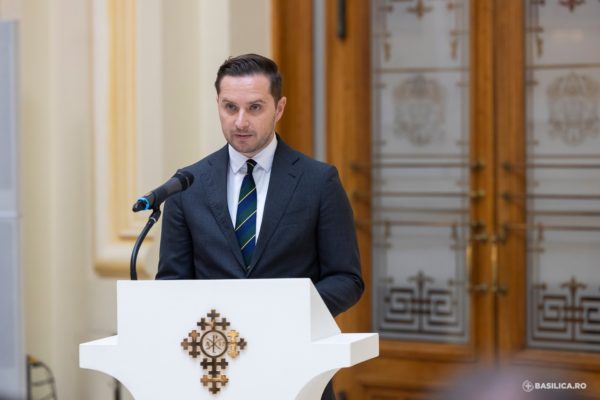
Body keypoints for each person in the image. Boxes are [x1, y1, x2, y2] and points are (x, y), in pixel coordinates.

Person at [156, 53, 364, 400]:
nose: (240, 121)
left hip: (297, 364)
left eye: (254, 108)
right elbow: (171, 283)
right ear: (218, 105)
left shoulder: (318, 182)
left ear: (279, 108)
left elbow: (347, 279)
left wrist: (283, 312)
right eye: (230, 107)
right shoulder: (187, 185)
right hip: (212, 371)